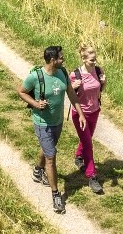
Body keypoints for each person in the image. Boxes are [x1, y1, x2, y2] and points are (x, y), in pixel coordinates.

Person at [18, 45, 83, 214]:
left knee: (49, 149)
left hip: (58, 121)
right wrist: (35, 104)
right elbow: (22, 92)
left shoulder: (62, 73)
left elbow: (71, 93)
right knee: (51, 156)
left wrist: (81, 113)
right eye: (61, 57)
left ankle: (38, 171)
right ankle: (56, 195)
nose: (64, 59)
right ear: (53, 60)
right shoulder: (36, 76)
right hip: (42, 122)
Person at [69, 43, 106, 195]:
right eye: (91, 60)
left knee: (87, 138)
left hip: (95, 111)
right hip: (80, 114)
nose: (94, 62)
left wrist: (104, 82)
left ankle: (78, 157)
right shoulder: (75, 75)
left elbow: (100, 90)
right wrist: (74, 87)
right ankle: (92, 176)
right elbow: (71, 96)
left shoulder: (98, 71)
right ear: (83, 58)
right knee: (88, 144)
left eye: (95, 59)